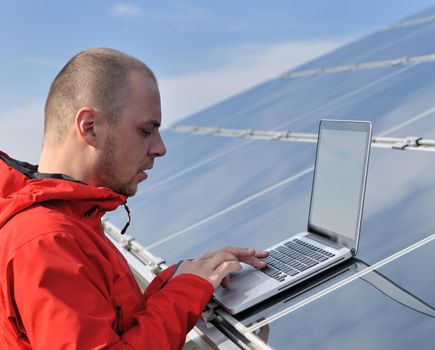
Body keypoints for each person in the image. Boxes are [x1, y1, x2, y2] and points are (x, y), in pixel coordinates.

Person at [0, 48, 268, 349]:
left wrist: (182, 279)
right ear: (90, 127)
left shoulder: (71, 220)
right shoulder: (46, 242)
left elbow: (116, 330)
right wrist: (186, 293)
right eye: (145, 131)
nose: (160, 148)